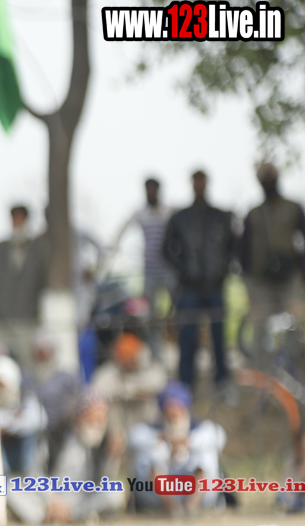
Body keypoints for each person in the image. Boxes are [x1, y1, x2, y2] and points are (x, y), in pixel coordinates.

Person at [163, 169, 239, 390]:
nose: (199, 186)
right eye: (196, 182)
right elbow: (166, 249)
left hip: (215, 285)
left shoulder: (221, 216)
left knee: (219, 337)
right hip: (189, 288)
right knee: (187, 337)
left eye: (202, 182)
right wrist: (183, 269)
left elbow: (233, 246)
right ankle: (186, 384)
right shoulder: (180, 218)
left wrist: (224, 267)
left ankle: (222, 382)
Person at [7, 388, 126, 525]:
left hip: (79, 504)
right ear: (80, 416)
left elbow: (102, 482)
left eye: (100, 421)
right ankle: (45, 517)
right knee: (8, 486)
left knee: (115, 493)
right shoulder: (56, 438)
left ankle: (69, 517)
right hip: (48, 500)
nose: (96, 425)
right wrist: (51, 499)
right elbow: (35, 474)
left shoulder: (101, 445)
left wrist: (112, 458)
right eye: (92, 420)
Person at [241, 162, 305, 367]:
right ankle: (261, 374)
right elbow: (244, 249)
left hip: (289, 278)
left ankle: (296, 373)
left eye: (271, 178)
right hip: (261, 281)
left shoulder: (293, 208)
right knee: (260, 329)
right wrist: (248, 279)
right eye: (265, 179)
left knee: (293, 327)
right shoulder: (254, 213)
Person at [129, 381, 227, 514]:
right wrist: (164, 441)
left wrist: (188, 443)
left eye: (178, 410)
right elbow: (133, 438)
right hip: (157, 497)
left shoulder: (201, 428)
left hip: (197, 493)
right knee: (150, 453)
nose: (174, 415)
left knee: (205, 454)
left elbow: (219, 437)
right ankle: (172, 508)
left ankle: (192, 506)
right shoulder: (151, 430)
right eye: (169, 412)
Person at [114, 178, 175, 360]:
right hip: (149, 271)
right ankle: (156, 353)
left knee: (177, 309)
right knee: (149, 315)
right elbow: (123, 227)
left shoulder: (168, 212)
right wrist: (113, 248)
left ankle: (176, 347)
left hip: (168, 270)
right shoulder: (141, 214)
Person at [0, 205, 47, 375]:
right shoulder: (2, 248)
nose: (17, 222)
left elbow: (42, 281)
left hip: (26, 318)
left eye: (20, 218)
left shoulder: (37, 247)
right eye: (14, 218)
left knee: (27, 363)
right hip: (4, 318)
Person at [90, 331, 167, 453]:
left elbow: (159, 385)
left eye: (130, 358)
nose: (127, 363)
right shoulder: (109, 372)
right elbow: (98, 388)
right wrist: (122, 392)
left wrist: (133, 392)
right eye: (124, 359)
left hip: (147, 426)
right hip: (118, 430)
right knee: (109, 405)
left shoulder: (150, 370)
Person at [0, 355, 47, 476]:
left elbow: (39, 421)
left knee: (32, 437)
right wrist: (3, 426)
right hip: (0, 448)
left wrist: (13, 426)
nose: (0, 388)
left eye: (2, 384)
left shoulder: (24, 395)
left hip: (20, 446)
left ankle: (27, 475)